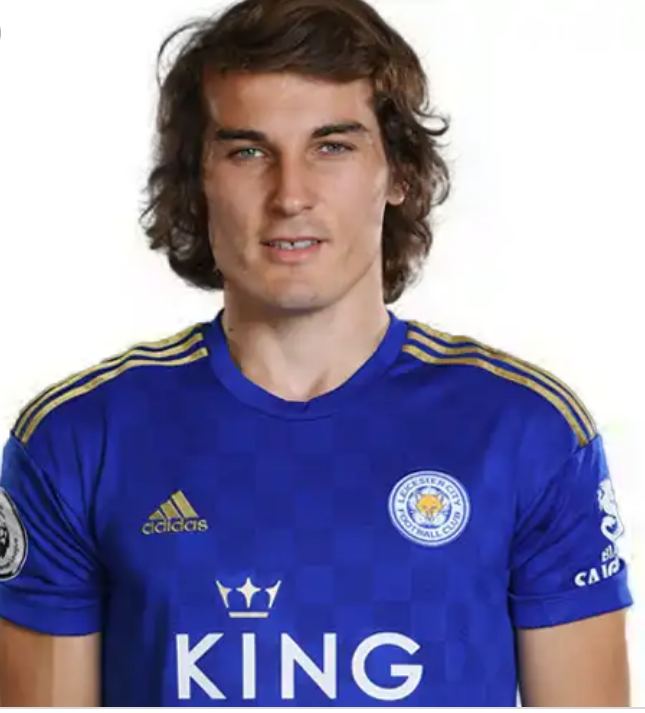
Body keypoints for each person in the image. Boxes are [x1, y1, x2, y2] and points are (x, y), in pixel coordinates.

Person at [0, 0, 632, 706]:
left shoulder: (526, 432)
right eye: (247, 151)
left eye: (332, 146)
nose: (290, 195)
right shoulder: (80, 439)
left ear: (397, 174)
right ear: (197, 182)